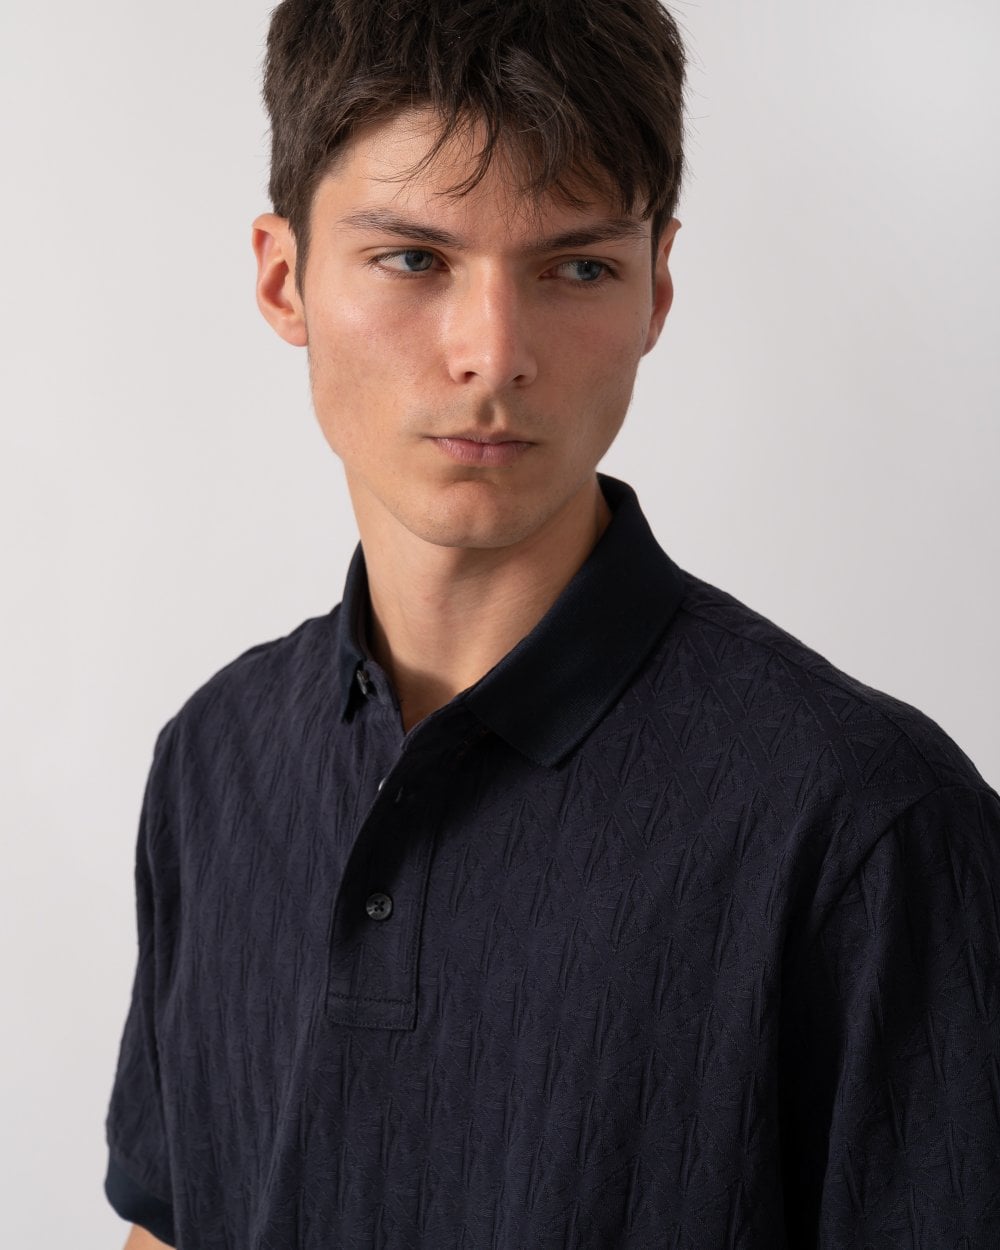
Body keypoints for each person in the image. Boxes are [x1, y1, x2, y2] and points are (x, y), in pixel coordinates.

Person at [103, 1, 1000, 1246]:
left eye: (576, 267)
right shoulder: (213, 759)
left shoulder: (867, 824)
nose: (494, 353)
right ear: (282, 275)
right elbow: (172, 1226)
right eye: (412, 259)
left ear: (656, 290)